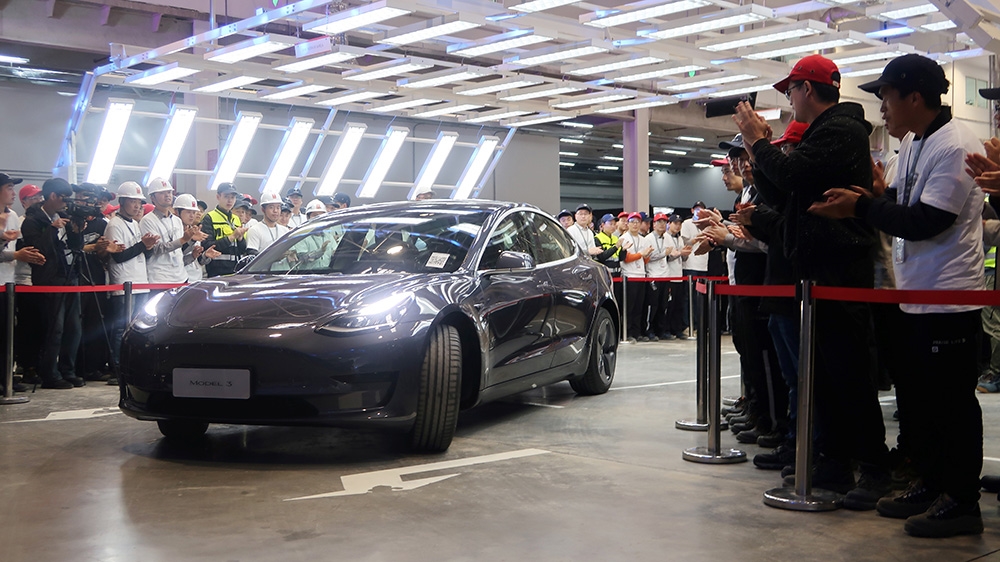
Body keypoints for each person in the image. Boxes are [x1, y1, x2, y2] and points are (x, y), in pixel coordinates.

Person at [811, 54, 986, 537]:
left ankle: (961, 501)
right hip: (914, 294)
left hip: (949, 295)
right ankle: (931, 482)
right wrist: (871, 200)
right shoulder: (911, 144)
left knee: (951, 404)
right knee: (920, 401)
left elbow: (928, 221)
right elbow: (899, 205)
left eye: (885, 95)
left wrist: (864, 207)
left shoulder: (955, 145)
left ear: (914, 96)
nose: (881, 107)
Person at [733, 53, 889, 510]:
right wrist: (758, 154)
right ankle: (836, 462)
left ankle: (873, 467)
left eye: (790, 90)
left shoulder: (842, 130)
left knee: (848, 377)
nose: (788, 98)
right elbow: (787, 190)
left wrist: (758, 142)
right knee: (824, 379)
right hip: (816, 273)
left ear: (808, 88)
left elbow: (792, 175)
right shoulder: (830, 131)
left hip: (837, 272)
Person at [20, 178, 89, 389]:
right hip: (50, 279)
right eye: (64, 198)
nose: (66, 203)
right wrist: (51, 228)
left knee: (73, 328)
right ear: (52, 196)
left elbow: (76, 247)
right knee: (55, 329)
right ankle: (49, 373)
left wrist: (77, 231)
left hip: (70, 275)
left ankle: (68, 370)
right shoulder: (32, 221)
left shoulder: (66, 217)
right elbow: (37, 249)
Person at [105, 181, 157, 375]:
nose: (137, 206)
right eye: (133, 201)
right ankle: (116, 366)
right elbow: (119, 256)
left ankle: (130, 364)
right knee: (120, 328)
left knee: (136, 328)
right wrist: (143, 245)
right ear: (122, 201)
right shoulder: (114, 225)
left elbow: (140, 253)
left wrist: (148, 247)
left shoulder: (135, 223)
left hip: (140, 281)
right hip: (124, 283)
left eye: (139, 202)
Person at [0, 174, 45, 393]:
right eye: (9, 187)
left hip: (9, 282)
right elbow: (10, 252)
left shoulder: (13, 216)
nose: (13, 192)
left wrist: (25, 254)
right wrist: (16, 255)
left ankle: (6, 377)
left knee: (9, 333)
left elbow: (14, 250)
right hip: (1, 282)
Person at [141, 178, 206, 288]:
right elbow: (157, 249)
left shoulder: (177, 221)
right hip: (160, 279)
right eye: (162, 193)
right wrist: (184, 240)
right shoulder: (147, 220)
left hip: (181, 278)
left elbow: (179, 254)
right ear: (152, 197)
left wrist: (193, 254)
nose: (167, 195)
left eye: (169, 192)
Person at [14, 183, 45, 385]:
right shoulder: (20, 222)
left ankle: (39, 363)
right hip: (23, 280)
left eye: (40, 197)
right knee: (27, 326)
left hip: (42, 281)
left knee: (42, 325)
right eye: (34, 198)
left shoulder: (45, 221)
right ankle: (27, 366)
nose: (38, 201)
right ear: (24, 202)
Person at [201, 182, 247, 277]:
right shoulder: (209, 218)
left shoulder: (236, 219)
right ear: (218, 197)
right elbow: (207, 245)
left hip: (235, 271)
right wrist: (231, 237)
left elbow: (242, 249)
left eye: (232, 197)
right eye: (226, 197)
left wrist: (240, 239)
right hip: (216, 272)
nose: (230, 201)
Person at [619, 212, 652, 342]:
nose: (635, 224)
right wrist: (641, 254)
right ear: (627, 223)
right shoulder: (624, 238)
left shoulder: (643, 239)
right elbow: (626, 259)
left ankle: (637, 332)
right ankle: (627, 332)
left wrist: (647, 255)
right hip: (629, 276)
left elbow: (644, 261)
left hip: (641, 275)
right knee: (629, 307)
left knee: (640, 306)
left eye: (638, 222)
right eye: (632, 222)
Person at [173, 194, 218, 283]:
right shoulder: (174, 230)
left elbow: (198, 260)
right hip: (180, 278)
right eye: (188, 212)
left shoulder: (195, 230)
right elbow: (177, 256)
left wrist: (205, 255)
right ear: (177, 212)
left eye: (194, 212)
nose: (192, 216)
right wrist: (192, 240)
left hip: (196, 279)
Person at [643, 213, 672, 341]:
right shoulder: (648, 238)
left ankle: (661, 330)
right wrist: (663, 254)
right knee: (653, 305)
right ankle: (649, 329)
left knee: (663, 304)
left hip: (665, 274)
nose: (662, 225)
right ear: (653, 224)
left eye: (664, 222)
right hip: (653, 275)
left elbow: (670, 254)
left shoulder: (668, 237)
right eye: (659, 222)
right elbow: (647, 257)